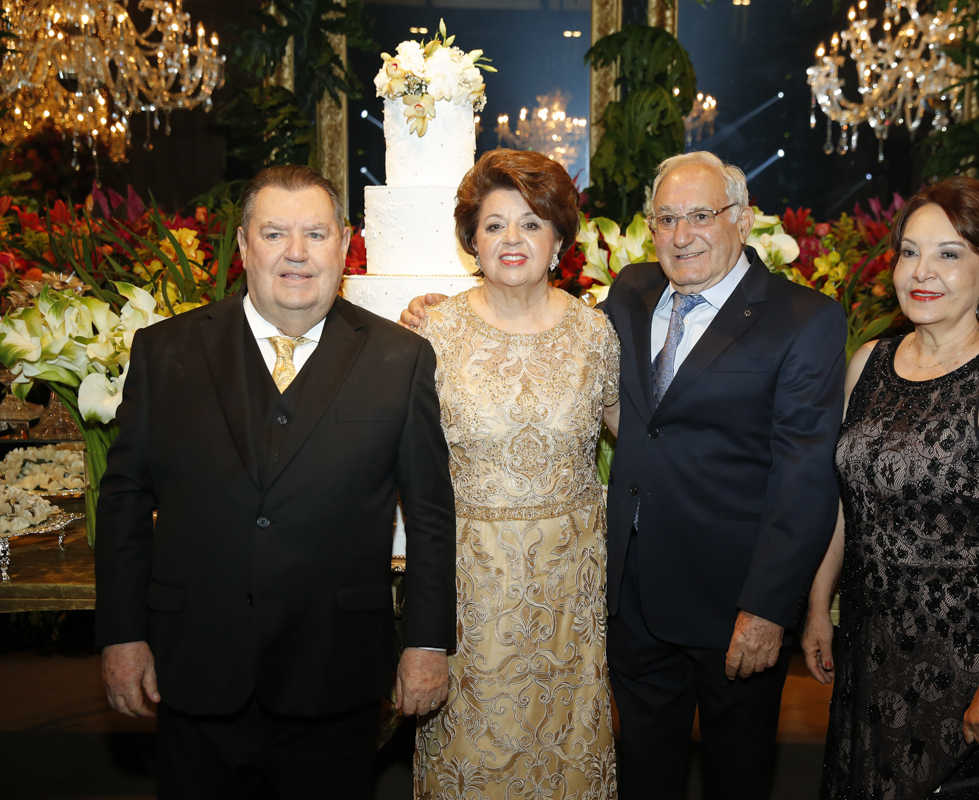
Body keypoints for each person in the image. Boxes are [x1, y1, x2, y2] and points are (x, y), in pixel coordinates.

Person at [405, 150, 847, 800]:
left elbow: (805, 476)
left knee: (737, 776)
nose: (681, 233)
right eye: (666, 218)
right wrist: (446, 312)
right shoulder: (630, 296)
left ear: (742, 219)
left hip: (729, 603)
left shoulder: (801, 319)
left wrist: (768, 608)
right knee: (642, 773)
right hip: (616, 600)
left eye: (701, 215)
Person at [94, 165, 457, 800]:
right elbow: (123, 503)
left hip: (334, 674)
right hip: (196, 667)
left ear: (345, 245)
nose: (296, 253)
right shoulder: (165, 353)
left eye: (316, 234)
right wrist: (122, 634)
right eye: (275, 233)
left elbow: (430, 514)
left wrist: (427, 642)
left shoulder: (400, 360)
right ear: (242, 246)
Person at [801, 176, 979, 799]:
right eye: (910, 251)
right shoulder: (867, 363)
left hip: (962, 663)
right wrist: (816, 604)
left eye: (949, 254)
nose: (922, 271)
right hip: (870, 648)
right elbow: (843, 500)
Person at [411, 149, 620, 798]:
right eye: (495, 224)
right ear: (471, 239)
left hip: (571, 595)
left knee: (566, 759)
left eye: (531, 223)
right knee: (476, 757)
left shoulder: (595, 335)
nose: (512, 239)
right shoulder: (430, 334)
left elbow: (644, 445)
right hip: (472, 594)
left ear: (559, 238)